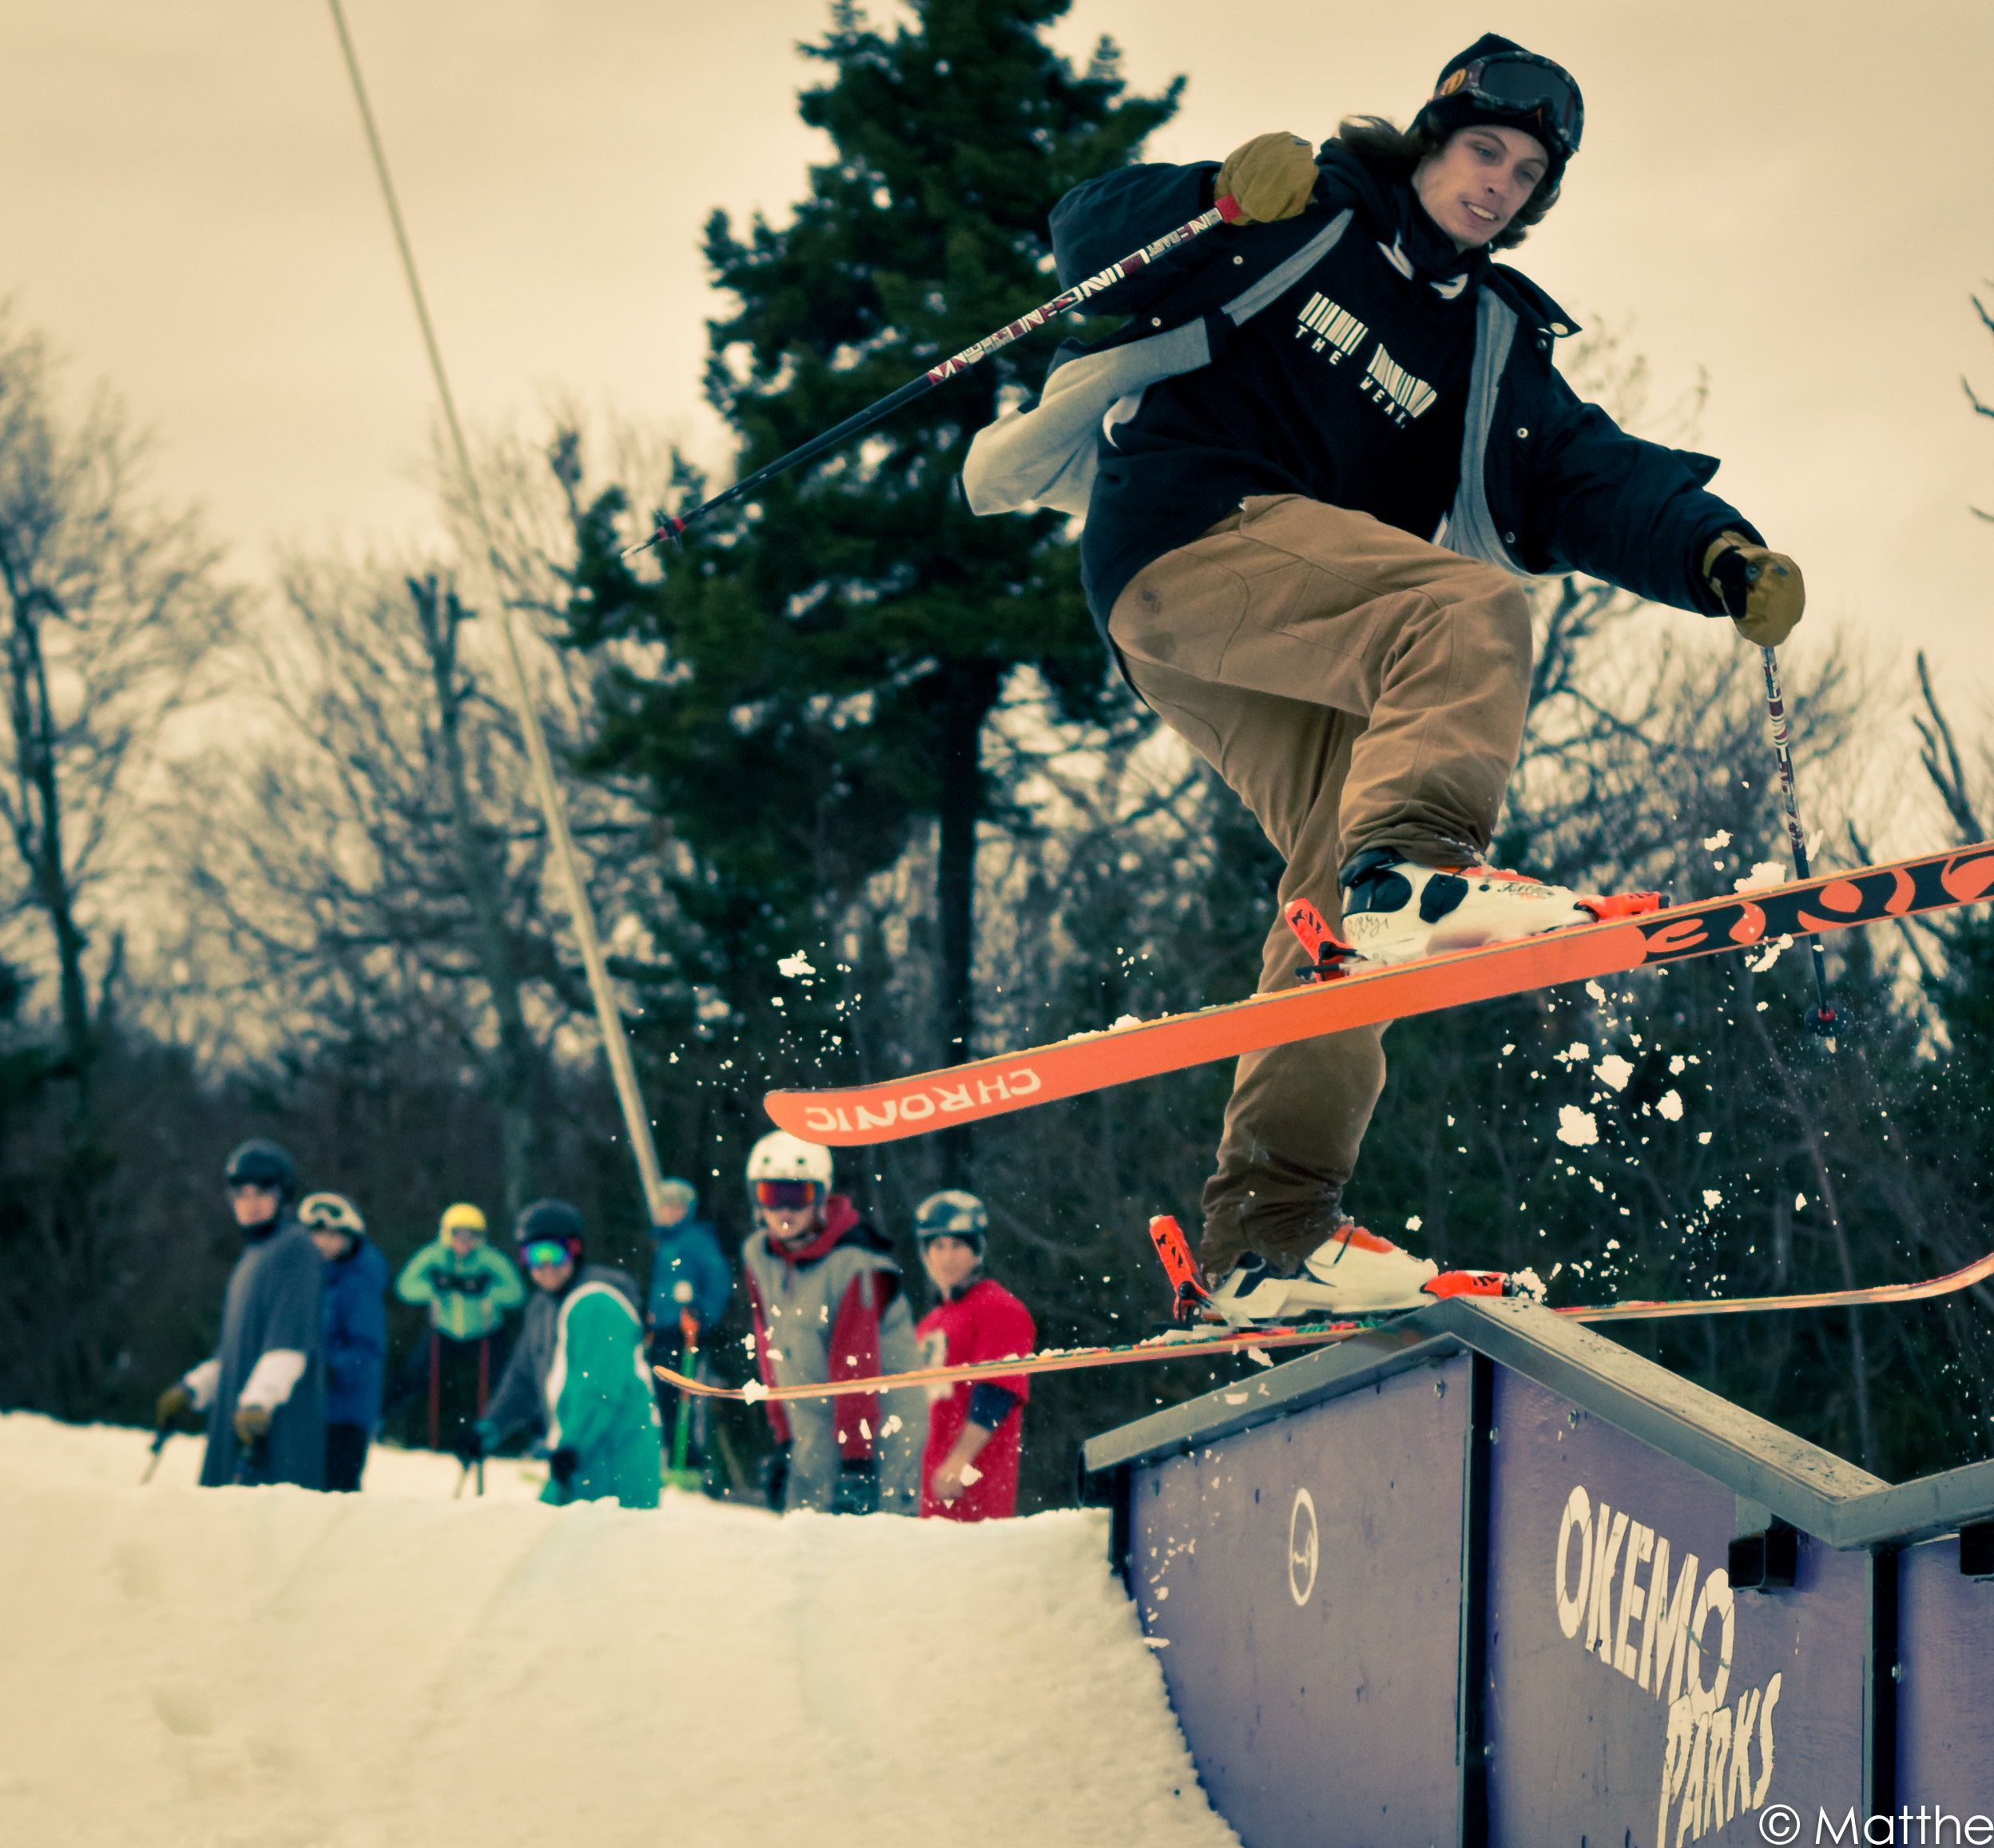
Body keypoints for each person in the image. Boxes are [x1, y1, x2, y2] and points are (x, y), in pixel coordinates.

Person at [963, 35, 1804, 1325]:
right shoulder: (1311, 217)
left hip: (1273, 635)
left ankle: (1268, 1230)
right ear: (1429, 140)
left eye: (1525, 176)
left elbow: (1586, 474)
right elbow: (1088, 233)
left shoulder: (1488, 345)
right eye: (1482, 152)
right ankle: (1416, 870)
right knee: (1465, 607)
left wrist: (1713, 552)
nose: (1497, 185)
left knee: (1336, 884)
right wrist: (1215, 198)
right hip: (1183, 538)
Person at [737, 1131, 920, 1515]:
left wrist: (858, 1463)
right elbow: (771, 1348)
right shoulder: (759, 1257)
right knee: (807, 1528)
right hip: (814, 1425)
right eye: (772, 1196)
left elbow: (856, 1366)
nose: (784, 1212)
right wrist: (784, 1439)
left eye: (797, 1196)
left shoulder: (854, 1265)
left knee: (877, 1535)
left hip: (881, 1426)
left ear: (820, 1198)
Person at [460, 1198, 661, 1509]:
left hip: (615, 1457)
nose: (545, 1266)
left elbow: (599, 1389)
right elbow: (523, 1381)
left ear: (575, 1250)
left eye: (554, 1253)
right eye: (533, 1255)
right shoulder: (543, 1308)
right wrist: (491, 1427)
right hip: (575, 1459)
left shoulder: (598, 1303)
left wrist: (573, 1446)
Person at [156, 1139, 326, 1488]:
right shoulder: (252, 1256)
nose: (250, 1203)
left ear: (283, 1195)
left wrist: (259, 1401)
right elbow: (236, 1352)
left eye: (262, 1192)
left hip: (274, 1437)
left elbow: (289, 1345)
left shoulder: (295, 1248)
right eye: (241, 1194)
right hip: (235, 1430)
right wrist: (194, 1389)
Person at [912, 1190, 1035, 1522]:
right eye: (938, 1246)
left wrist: (959, 1460)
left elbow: (997, 1391)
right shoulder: (929, 1324)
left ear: (978, 1249)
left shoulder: (999, 1308)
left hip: (975, 1490)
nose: (947, 1257)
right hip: (926, 1491)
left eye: (958, 1245)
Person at [390, 1201, 524, 1449]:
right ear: (446, 1234)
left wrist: (486, 1291)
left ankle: (515, 1436)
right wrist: (434, 1288)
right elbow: (405, 1287)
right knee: (414, 1376)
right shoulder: (434, 1256)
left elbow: (516, 1293)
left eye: (470, 1236)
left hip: (485, 1331)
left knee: (506, 1380)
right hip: (443, 1330)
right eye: (458, 1235)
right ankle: (394, 1428)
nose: (464, 1242)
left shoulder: (490, 1259)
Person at [300, 1190, 389, 1492]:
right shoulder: (306, 1281)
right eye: (317, 1234)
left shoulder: (357, 1285)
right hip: (307, 1408)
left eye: (334, 1235)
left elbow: (368, 1349)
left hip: (344, 1413)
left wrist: (332, 1370)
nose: (324, 1243)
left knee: (335, 1496)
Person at [644, 1175, 733, 1461]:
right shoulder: (662, 1242)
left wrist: (702, 1312)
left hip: (687, 1333)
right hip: (662, 1332)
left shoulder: (697, 1241)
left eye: (675, 1206)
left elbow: (719, 1282)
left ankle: (691, 1459)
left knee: (686, 1398)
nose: (669, 1212)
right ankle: (672, 1455)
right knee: (663, 1395)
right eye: (665, 1206)